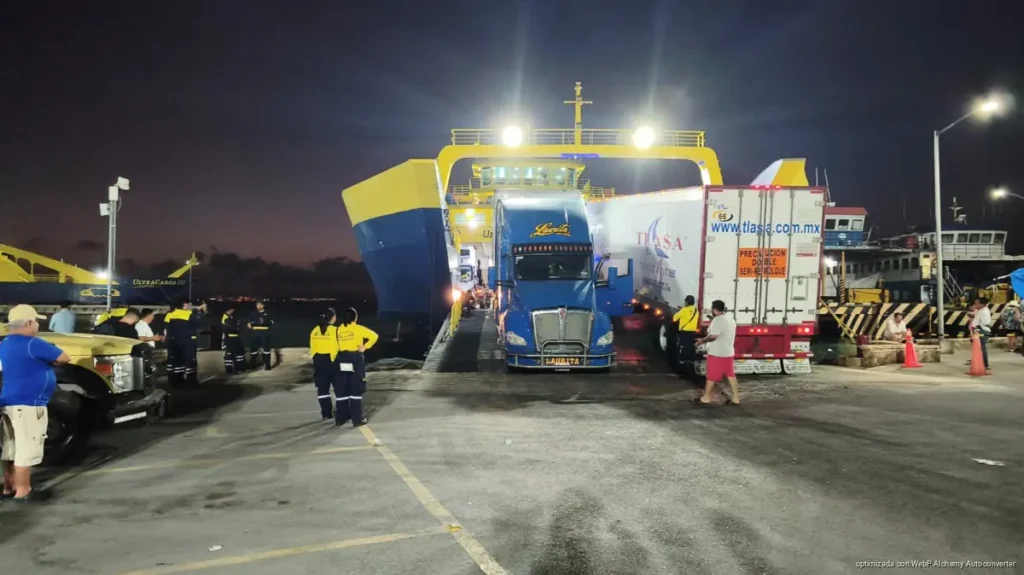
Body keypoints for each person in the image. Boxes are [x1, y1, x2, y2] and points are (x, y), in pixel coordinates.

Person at [0, 305, 70, 502]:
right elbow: (64, 357)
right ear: (29, 323)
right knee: (27, 447)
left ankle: (9, 487)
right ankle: (24, 491)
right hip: (29, 403)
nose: (38, 324)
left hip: (8, 401)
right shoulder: (33, 343)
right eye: (36, 321)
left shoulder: (5, 343)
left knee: (10, 447)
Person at [334, 307, 378, 427]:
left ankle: (340, 418)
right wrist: (365, 346)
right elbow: (374, 336)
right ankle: (357, 419)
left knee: (342, 388)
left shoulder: (338, 330)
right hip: (355, 358)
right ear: (355, 318)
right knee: (356, 388)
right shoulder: (358, 329)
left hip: (341, 358)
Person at [694, 300, 739, 406]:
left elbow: (713, 336)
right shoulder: (730, 318)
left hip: (717, 353)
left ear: (714, 309)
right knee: (730, 375)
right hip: (728, 352)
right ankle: (736, 398)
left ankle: (706, 397)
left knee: (711, 376)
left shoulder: (717, 321)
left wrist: (702, 340)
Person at [165, 300, 206, 387]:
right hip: (187, 342)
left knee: (178, 363)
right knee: (190, 362)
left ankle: (176, 383)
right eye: (188, 305)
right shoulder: (188, 314)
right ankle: (191, 383)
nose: (189, 306)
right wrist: (200, 312)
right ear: (184, 305)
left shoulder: (170, 314)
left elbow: (167, 328)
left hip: (174, 342)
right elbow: (199, 322)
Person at [309, 309, 338, 421]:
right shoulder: (335, 330)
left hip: (319, 361)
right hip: (332, 360)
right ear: (332, 318)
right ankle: (341, 411)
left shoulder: (315, 330)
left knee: (322, 389)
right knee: (339, 388)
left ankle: (326, 413)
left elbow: (312, 347)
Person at [671, 295, 700, 379]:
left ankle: (683, 371)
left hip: (684, 333)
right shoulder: (696, 310)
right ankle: (691, 370)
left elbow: (675, 317)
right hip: (692, 333)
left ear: (686, 302)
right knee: (690, 350)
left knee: (682, 351)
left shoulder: (684, 310)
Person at [967, 297, 992, 374]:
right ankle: (982, 363)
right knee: (979, 347)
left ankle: (984, 364)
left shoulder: (983, 311)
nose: (975, 304)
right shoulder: (980, 311)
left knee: (981, 347)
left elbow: (984, 322)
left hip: (982, 330)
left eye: (977, 303)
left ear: (982, 304)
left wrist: (977, 328)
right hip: (979, 330)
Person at [248, 300, 274, 371]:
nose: (259, 306)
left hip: (264, 332)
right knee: (253, 349)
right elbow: (249, 322)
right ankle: (253, 365)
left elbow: (271, 322)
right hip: (255, 332)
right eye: (257, 305)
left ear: (263, 305)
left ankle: (267, 365)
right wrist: (249, 324)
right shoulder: (253, 313)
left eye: (260, 305)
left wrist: (264, 323)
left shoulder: (268, 313)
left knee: (266, 349)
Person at [221, 307, 246, 374]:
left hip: (236, 339)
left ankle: (239, 368)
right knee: (229, 354)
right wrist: (224, 342)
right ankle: (229, 369)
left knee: (239, 353)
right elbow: (225, 330)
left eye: (232, 310)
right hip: (229, 339)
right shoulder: (225, 319)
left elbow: (239, 328)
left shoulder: (237, 319)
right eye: (229, 310)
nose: (231, 311)